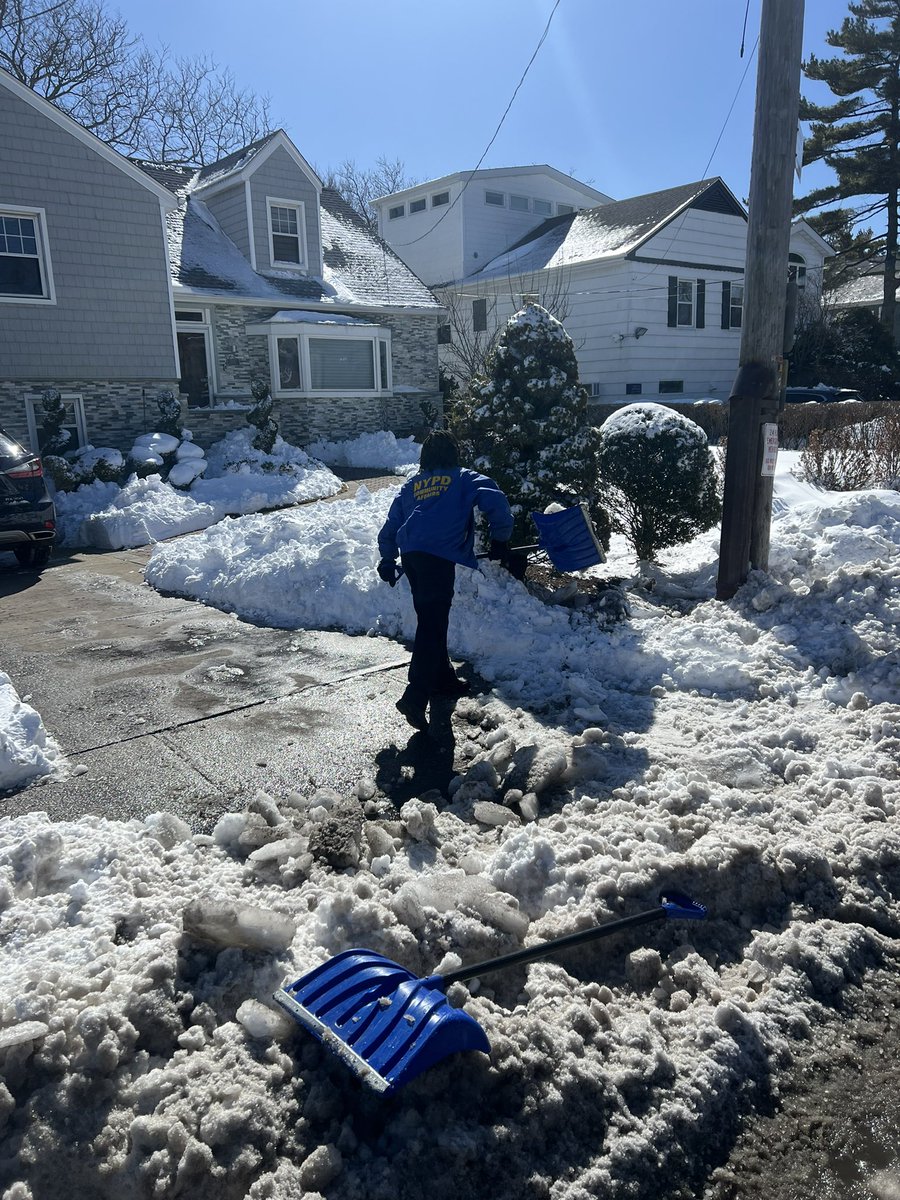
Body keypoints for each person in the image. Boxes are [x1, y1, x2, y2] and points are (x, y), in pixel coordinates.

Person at [377, 430, 513, 731]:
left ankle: (443, 681)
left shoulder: (412, 485)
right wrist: (501, 539)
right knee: (432, 624)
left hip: (412, 557)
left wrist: (387, 559)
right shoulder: (463, 477)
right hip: (437, 559)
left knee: (430, 619)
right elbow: (496, 499)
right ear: (453, 454)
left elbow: (391, 524)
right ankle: (415, 696)